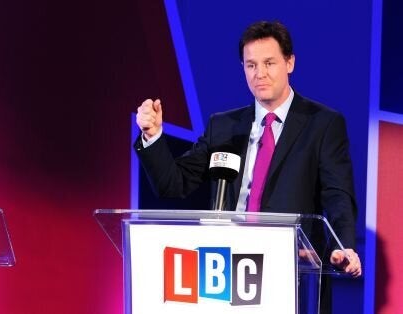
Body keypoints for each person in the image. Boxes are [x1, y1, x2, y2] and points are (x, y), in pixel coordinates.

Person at [135, 21, 360, 311]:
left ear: (289, 63)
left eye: (269, 63)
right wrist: (153, 137)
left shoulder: (323, 124)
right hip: (225, 272)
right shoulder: (224, 125)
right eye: (251, 65)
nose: (260, 74)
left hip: (290, 271)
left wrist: (344, 245)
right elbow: (174, 183)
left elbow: (337, 193)